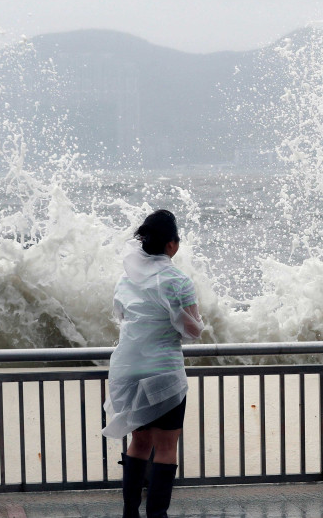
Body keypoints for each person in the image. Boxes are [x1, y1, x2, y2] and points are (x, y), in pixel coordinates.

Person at [102, 209, 203, 518]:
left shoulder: (126, 277)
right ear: (171, 245)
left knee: (139, 441)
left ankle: (130, 513)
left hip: (128, 369)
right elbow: (193, 330)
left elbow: (122, 315)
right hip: (164, 374)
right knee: (166, 446)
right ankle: (157, 515)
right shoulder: (178, 280)